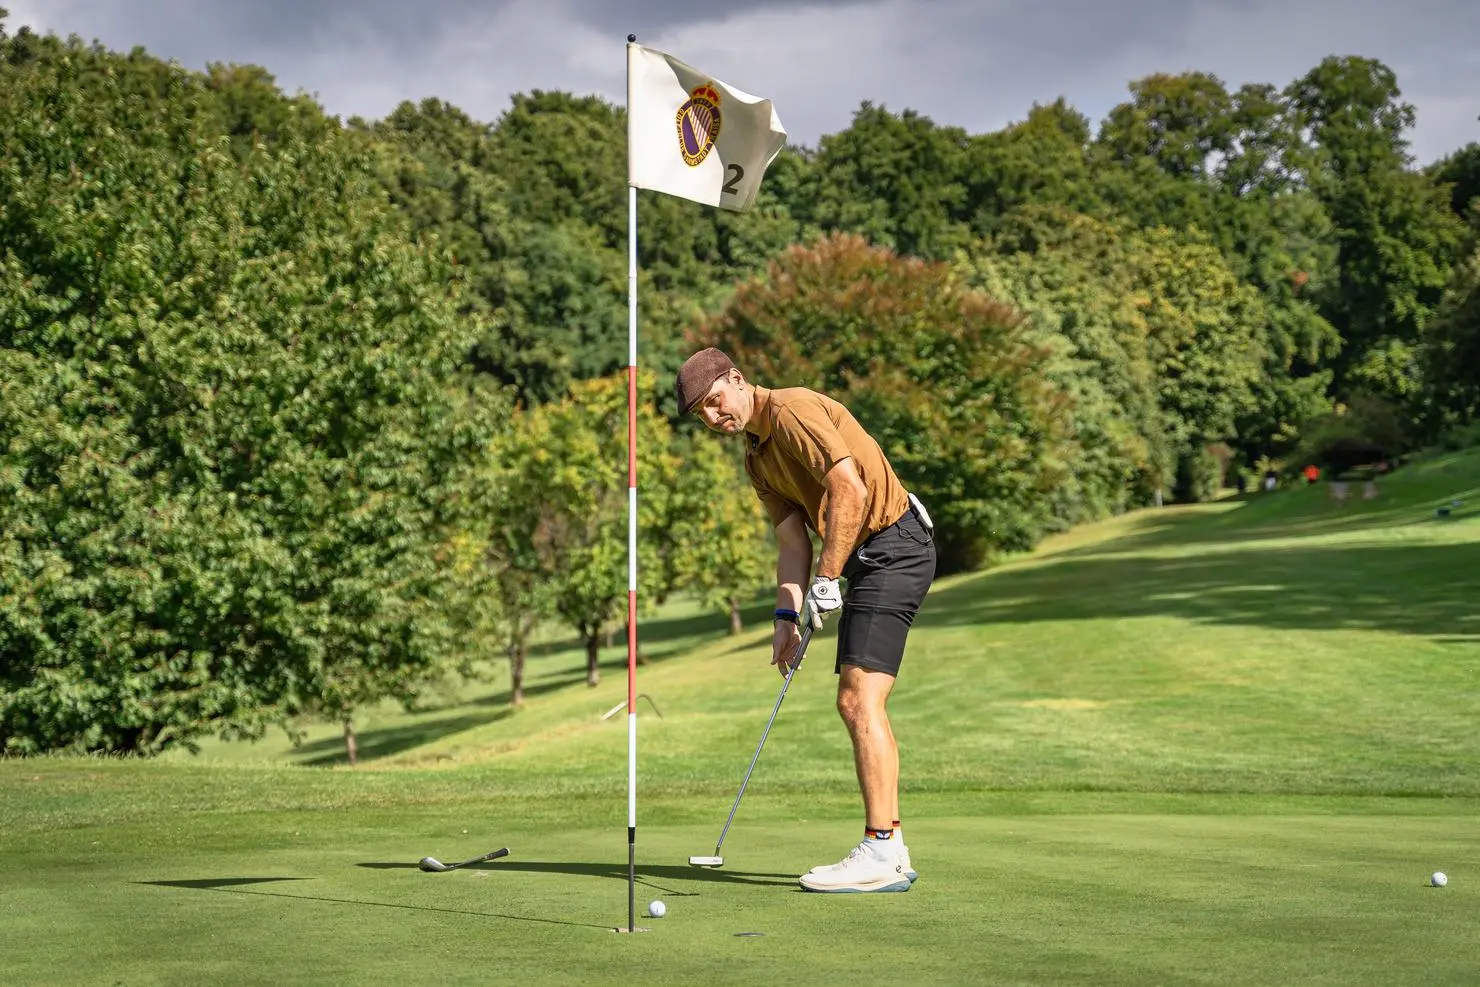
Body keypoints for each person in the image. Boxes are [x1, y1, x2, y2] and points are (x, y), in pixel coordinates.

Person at [675, 347, 938, 894]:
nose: (712, 417)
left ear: (738, 380)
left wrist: (827, 578)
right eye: (701, 412)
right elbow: (792, 538)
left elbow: (851, 489)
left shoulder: (792, 410)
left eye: (715, 401)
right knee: (858, 700)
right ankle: (891, 846)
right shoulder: (756, 455)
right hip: (871, 553)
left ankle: (880, 852)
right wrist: (784, 615)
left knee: (857, 699)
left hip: (894, 544)